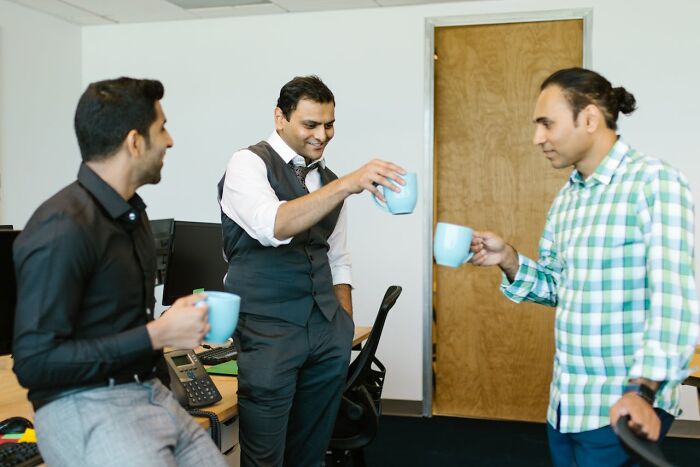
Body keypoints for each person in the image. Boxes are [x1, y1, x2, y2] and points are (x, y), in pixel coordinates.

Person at [469, 68, 699, 466]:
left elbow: (675, 302)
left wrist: (642, 391)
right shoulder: (567, 200)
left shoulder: (654, 184)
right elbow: (559, 287)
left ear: (589, 119)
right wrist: (507, 258)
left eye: (547, 124)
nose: (537, 138)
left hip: (621, 405)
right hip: (566, 405)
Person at [12, 77, 226, 467]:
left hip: (147, 391)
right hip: (84, 404)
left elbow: (118, 326)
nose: (170, 140)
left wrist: (172, 323)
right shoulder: (61, 227)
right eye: (161, 128)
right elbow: (34, 362)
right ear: (134, 142)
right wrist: (158, 334)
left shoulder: (131, 215)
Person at [218, 75, 405, 466]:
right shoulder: (247, 163)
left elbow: (337, 258)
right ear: (279, 118)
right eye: (311, 124)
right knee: (265, 457)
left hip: (325, 333)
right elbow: (274, 225)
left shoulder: (328, 181)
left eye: (329, 124)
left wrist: (342, 326)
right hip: (268, 331)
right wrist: (348, 185)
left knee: (311, 455)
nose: (323, 135)